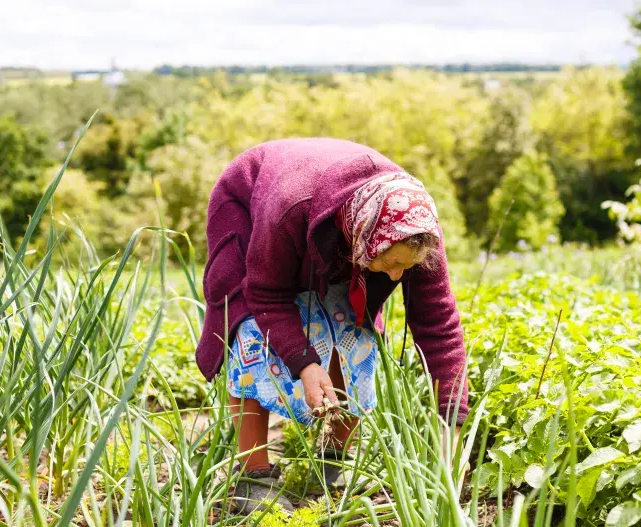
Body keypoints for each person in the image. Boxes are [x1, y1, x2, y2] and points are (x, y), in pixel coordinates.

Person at [196, 138, 469, 514]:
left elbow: (439, 324)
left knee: (354, 331)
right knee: (252, 334)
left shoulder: (414, 228)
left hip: (336, 224)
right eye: (390, 263)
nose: (396, 275)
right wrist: (306, 365)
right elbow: (266, 293)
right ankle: (252, 475)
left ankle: (332, 461)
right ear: (364, 238)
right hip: (258, 210)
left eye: (406, 267)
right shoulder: (289, 206)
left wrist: (451, 427)